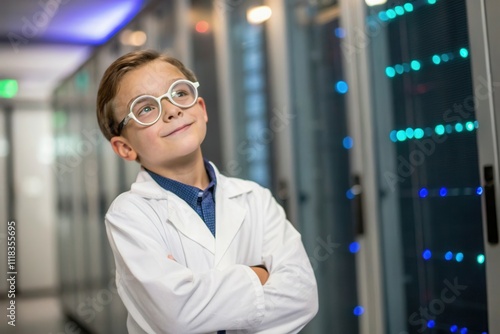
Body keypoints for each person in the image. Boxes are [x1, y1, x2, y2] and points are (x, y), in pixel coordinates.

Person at [96, 49, 318, 334]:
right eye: (146, 108)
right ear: (124, 148)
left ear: (201, 108)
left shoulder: (255, 198)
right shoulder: (129, 216)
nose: (172, 110)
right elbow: (177, 316)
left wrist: (203, 296)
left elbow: (302, 297)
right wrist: (257, 274)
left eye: (179, 93)